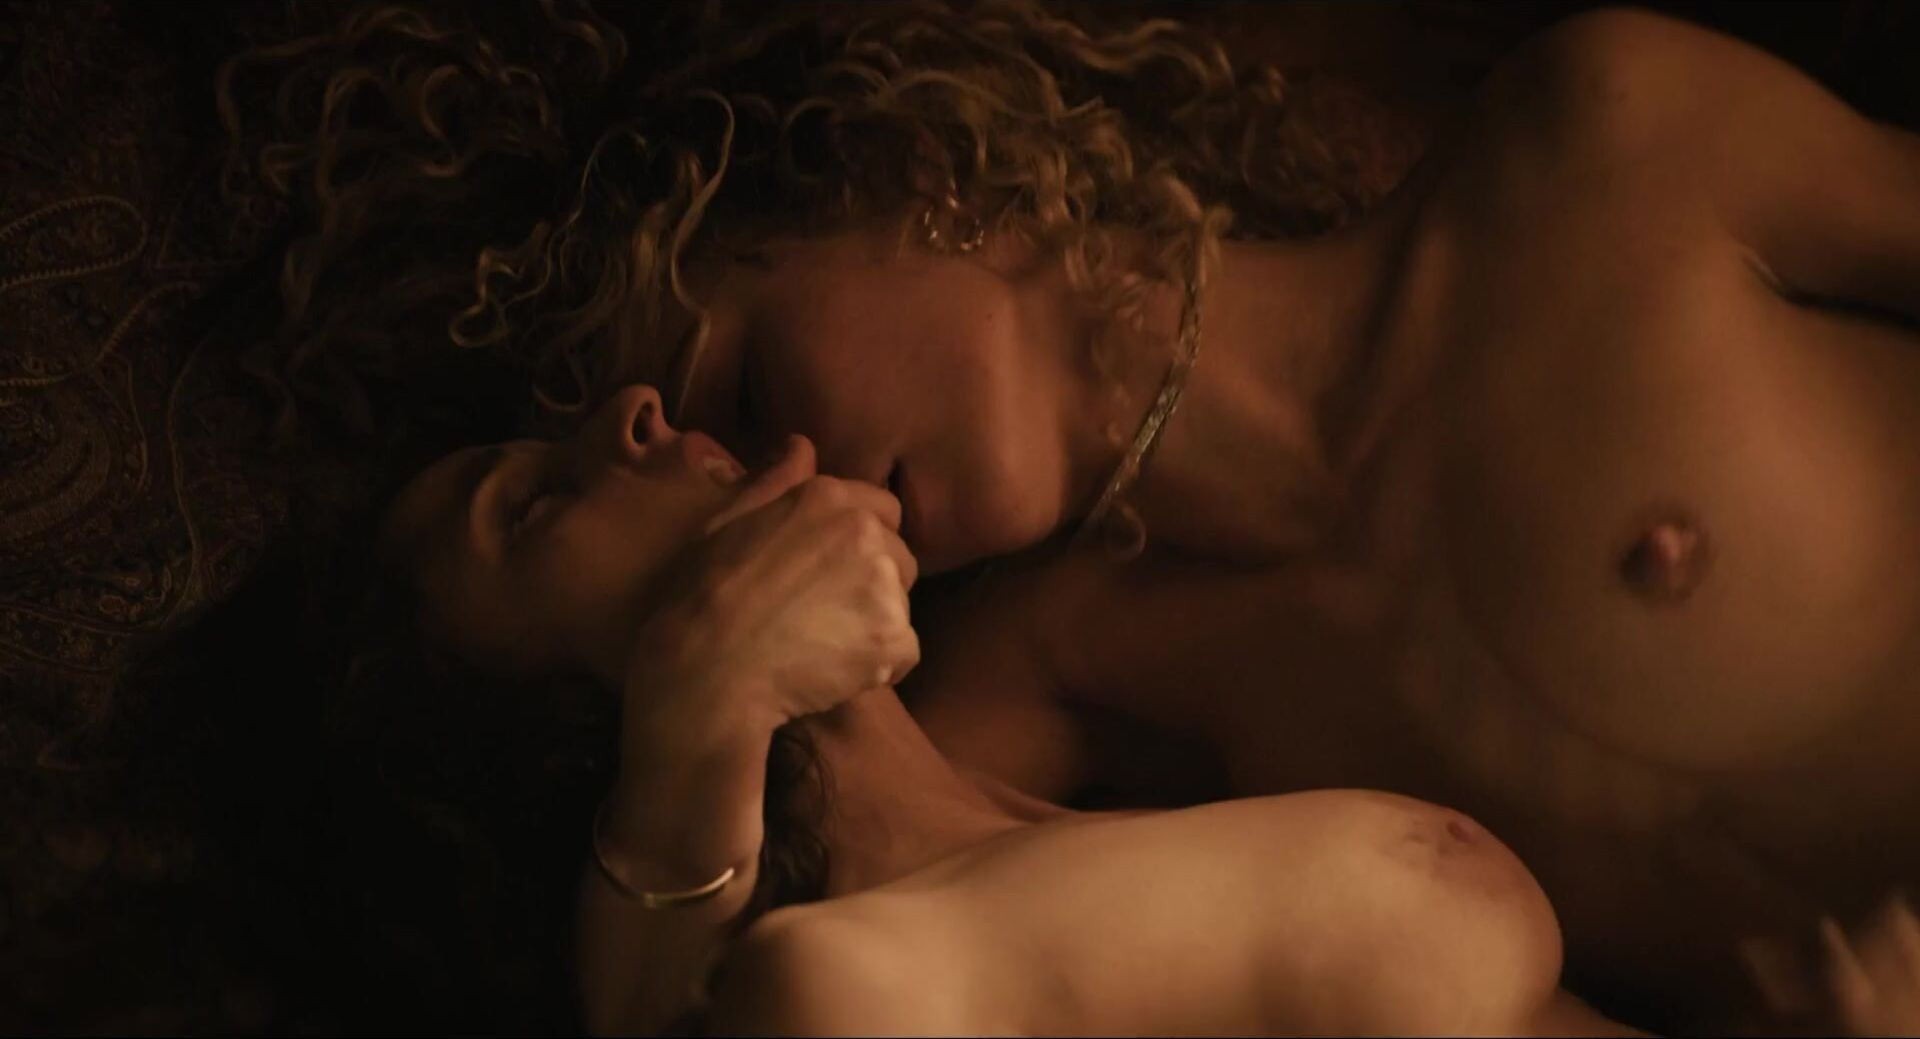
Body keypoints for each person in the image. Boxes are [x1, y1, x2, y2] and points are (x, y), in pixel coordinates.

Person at [221, 0, 1920, 1028]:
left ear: (899, 168)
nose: (788, 485)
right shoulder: (1043, 676)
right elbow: (741, 979)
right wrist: (686, 728)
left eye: (746, 386)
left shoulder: (1601, 152)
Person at [377, 381, 1643, 1036]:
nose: (633, 409)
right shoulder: (842, 989)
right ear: (519, 737)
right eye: (531, 507)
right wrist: (701, 703)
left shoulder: (1018, 794)